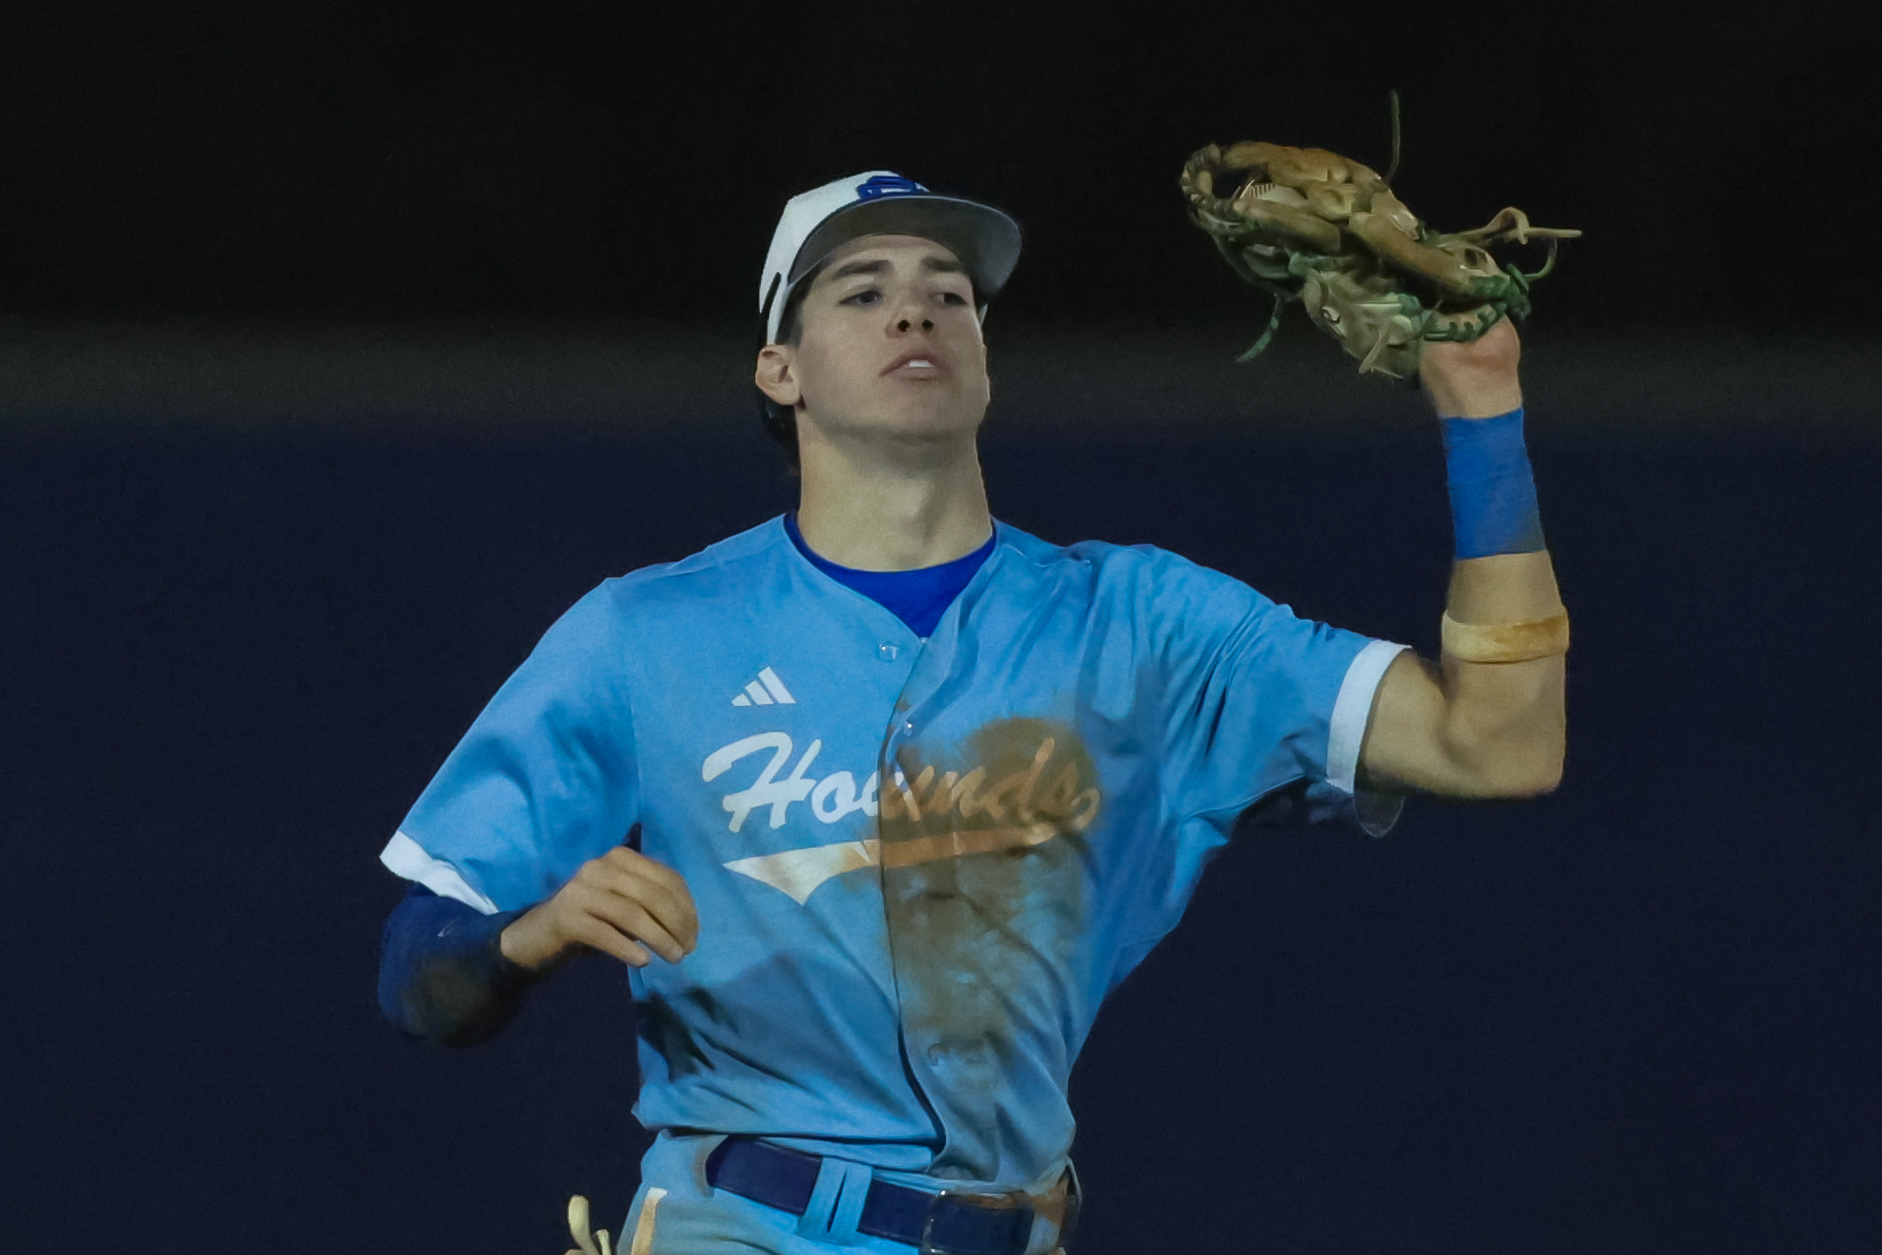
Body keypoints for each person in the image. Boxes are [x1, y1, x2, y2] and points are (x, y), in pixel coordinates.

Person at [376, 170, 1567, 1255]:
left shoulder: (1143, 625)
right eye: (860, 291)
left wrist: (1480, 401)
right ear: (777, 368)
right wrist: (525, 937)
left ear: (986, 360)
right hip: (738, 1224)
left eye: (950, 292)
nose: (916, 312)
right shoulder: (646, 635)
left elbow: (1499, 739)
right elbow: (417, 978)